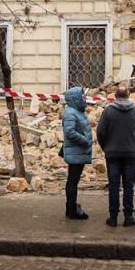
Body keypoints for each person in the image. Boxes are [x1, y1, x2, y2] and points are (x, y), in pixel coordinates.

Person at [96, 84, 135, 227]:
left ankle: (113, 217)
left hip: (112, 154)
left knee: (114, 186)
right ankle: (128, 216)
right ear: (128, 95)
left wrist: (105, 146)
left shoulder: (108, 111)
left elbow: (100, 131)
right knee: (128, 186)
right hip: (131, 153)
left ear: (115, 96)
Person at [61, 86, 92, 220]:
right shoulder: (70, 113)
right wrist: (85, 141)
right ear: (75, 99)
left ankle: (71, 207)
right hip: (76, 151)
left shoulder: (78, 111)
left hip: (78, 151)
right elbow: (70, 132)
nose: (84, 99)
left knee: (74, 180)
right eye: (82, 96)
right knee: (72, 181)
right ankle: (71, 210)